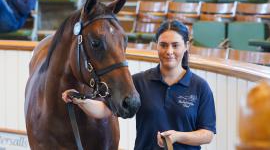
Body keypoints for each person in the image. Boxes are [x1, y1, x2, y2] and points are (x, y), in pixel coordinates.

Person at [62, 20, 216, 150]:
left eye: (175, 45)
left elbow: (207, 134)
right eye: (163, 45)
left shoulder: (200, 87)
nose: (169, 51)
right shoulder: (140, 82)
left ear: (186, 46)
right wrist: (80, 100)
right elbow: (104, 110)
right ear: (156, 46)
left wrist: (177, 137)